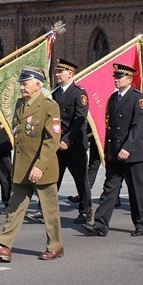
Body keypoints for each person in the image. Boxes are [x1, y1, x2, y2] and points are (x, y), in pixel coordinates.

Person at [0, 66, 63, 262]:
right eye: (21, 84)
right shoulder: (20, 104)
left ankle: (55, 246)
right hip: (22, 166)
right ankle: (3, 246)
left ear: (37, 85)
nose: (22, 87)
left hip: (42, 168)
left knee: (49, 210)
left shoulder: (49, 106)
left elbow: (52, 140)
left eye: (25, 84)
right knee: (14, 208)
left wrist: (39, 166)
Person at [82, 63, 143, 237]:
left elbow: (138, 127)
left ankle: (141, 223)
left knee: (136, 190)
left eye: (120, 78)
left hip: (132, 153)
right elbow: (110, 127)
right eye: (115, 78)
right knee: (109, 189)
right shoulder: (113, 98)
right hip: (114, 153)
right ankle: (100, 224)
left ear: (129, 79)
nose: (116, 81)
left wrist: (127, 148)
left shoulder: (138, 99)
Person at [52, 58, 93, 223]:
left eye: (60, 72)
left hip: (74, 144)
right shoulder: (55, 93)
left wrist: (67, 140)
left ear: (70, 73)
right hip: (56, 143)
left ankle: (85, 211)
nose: (57, 75)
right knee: (53, 179)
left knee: (81, 180)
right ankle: (45, 209)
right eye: (56, 72)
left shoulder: (79, 93)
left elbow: (79, 120)